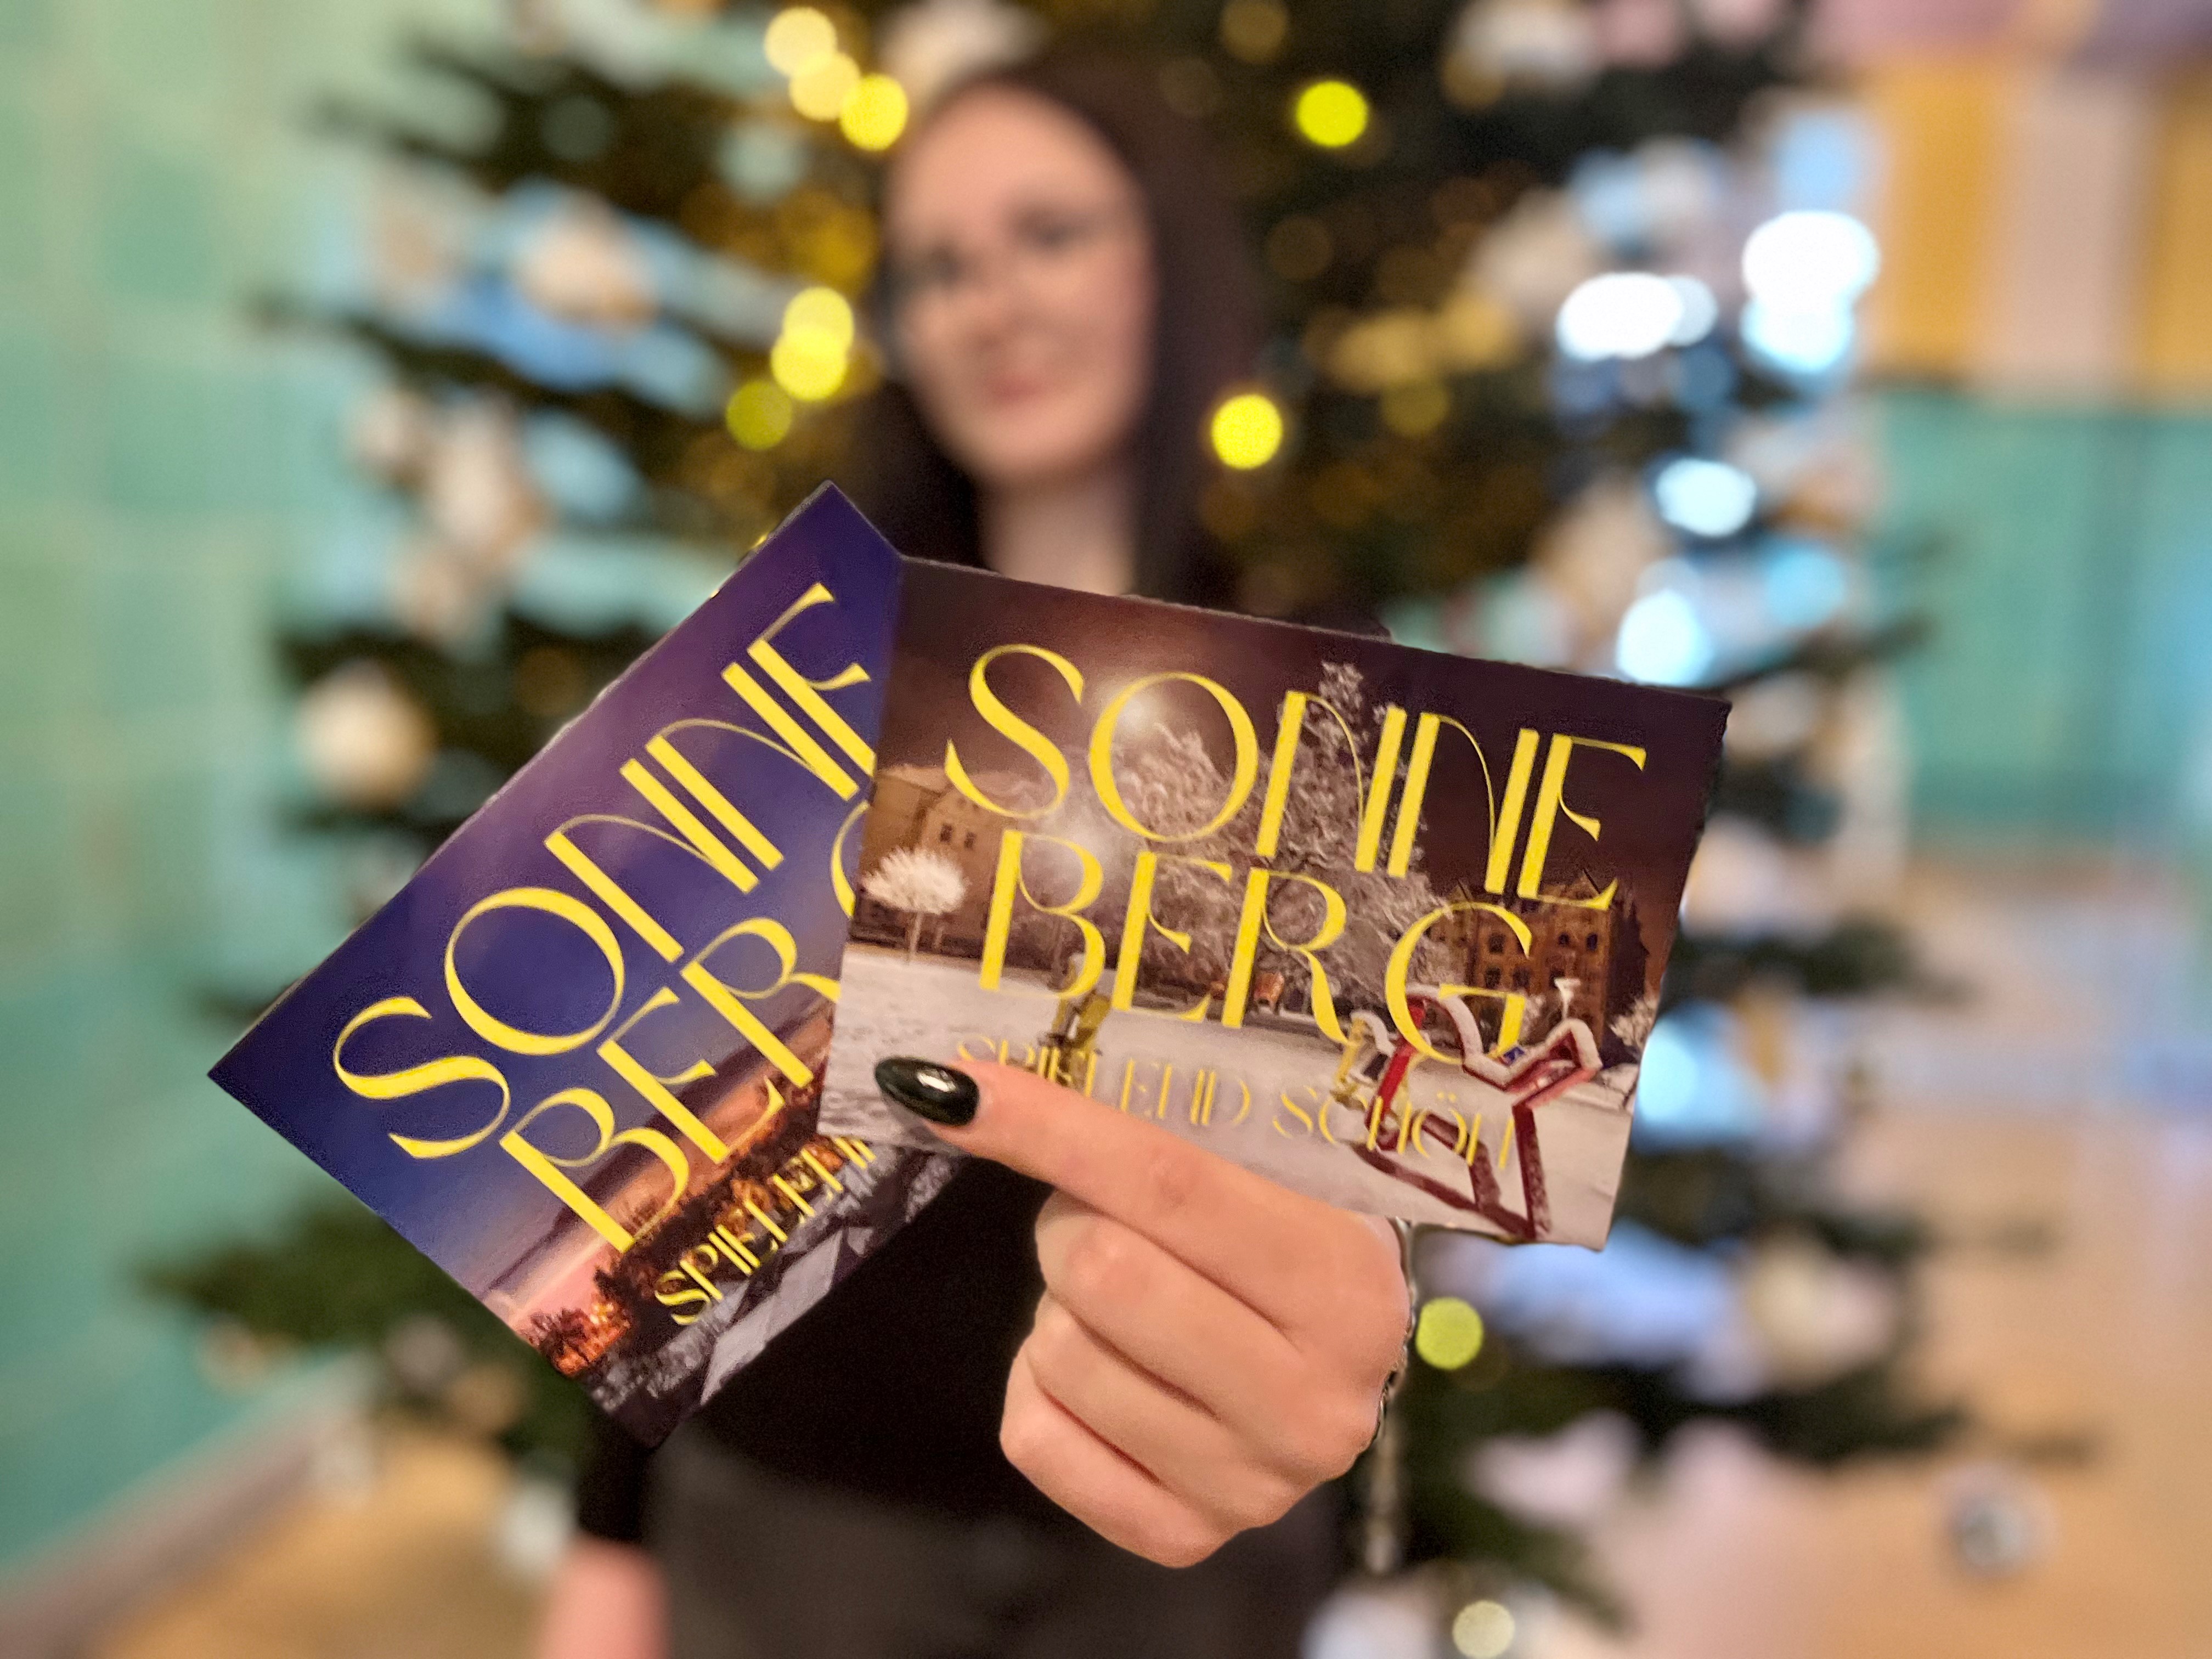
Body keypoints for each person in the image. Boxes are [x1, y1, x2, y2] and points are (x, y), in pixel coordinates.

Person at [535, 50, 1413, 1659]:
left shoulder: (1330, 679)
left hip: (1173, 1533)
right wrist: (607, 1537)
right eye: (939, 267)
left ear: (1164, 260)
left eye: (1049, 233)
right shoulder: (799, 678)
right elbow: (667, 1157)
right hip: (798, 1506)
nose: (993, 302)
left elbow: (1373, 1164)